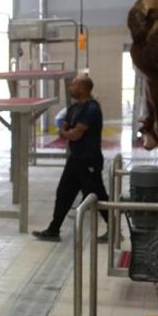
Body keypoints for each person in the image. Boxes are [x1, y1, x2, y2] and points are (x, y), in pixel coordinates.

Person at [32, 74, 112, 242]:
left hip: (89, 160)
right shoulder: (74, 108)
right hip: (75, 160)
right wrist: (67, 132)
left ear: (82, 88)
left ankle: (114, 229)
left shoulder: (91, 108)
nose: (70, 88)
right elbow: (65, 129)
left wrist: (66, 133)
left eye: (73, 85)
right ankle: (53, 230)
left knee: (98, 195)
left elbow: (74, 135)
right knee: (63, 193)